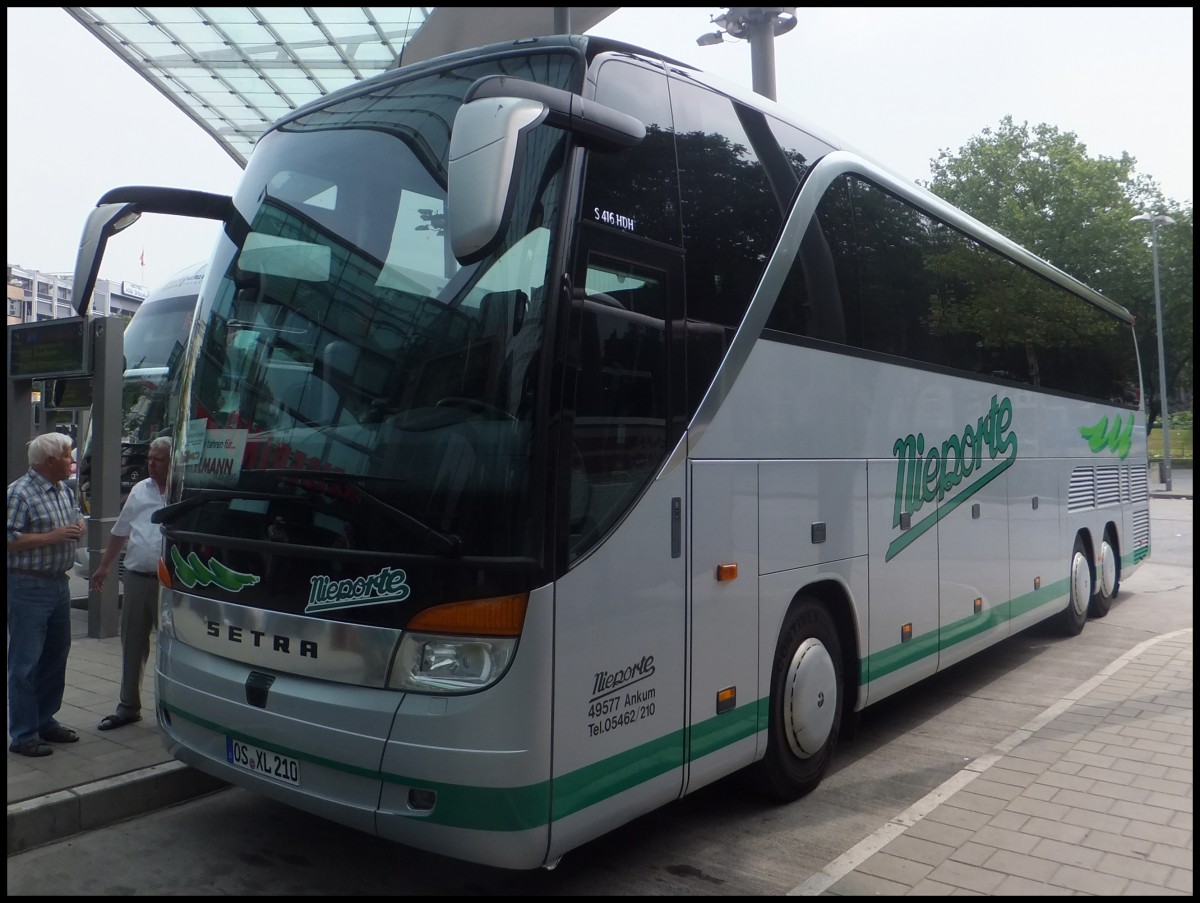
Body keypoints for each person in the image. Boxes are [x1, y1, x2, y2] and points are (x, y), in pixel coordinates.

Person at [7, 432, 87, 757]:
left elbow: (75, 516)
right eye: (68, 456)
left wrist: (78, 526)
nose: (72, 461)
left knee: (56, 656)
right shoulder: (19, 493)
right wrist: (51, 537)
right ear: (50, 460)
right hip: (28, 585)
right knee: (25, 663)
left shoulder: (62, 490)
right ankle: (24, 735)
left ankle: (45, 720)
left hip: (58, 583)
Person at [90, 436, 171, 731]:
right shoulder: (140, 490)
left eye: (158, 459)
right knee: (133, 644)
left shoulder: (182, 491)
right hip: (138, 578)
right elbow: (120, 531)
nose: (150, 463)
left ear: (172, 463)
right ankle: (128, 707)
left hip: (172, 584)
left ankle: (171, 707)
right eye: (149, 457)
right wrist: (104, 566)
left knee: (172, 648)